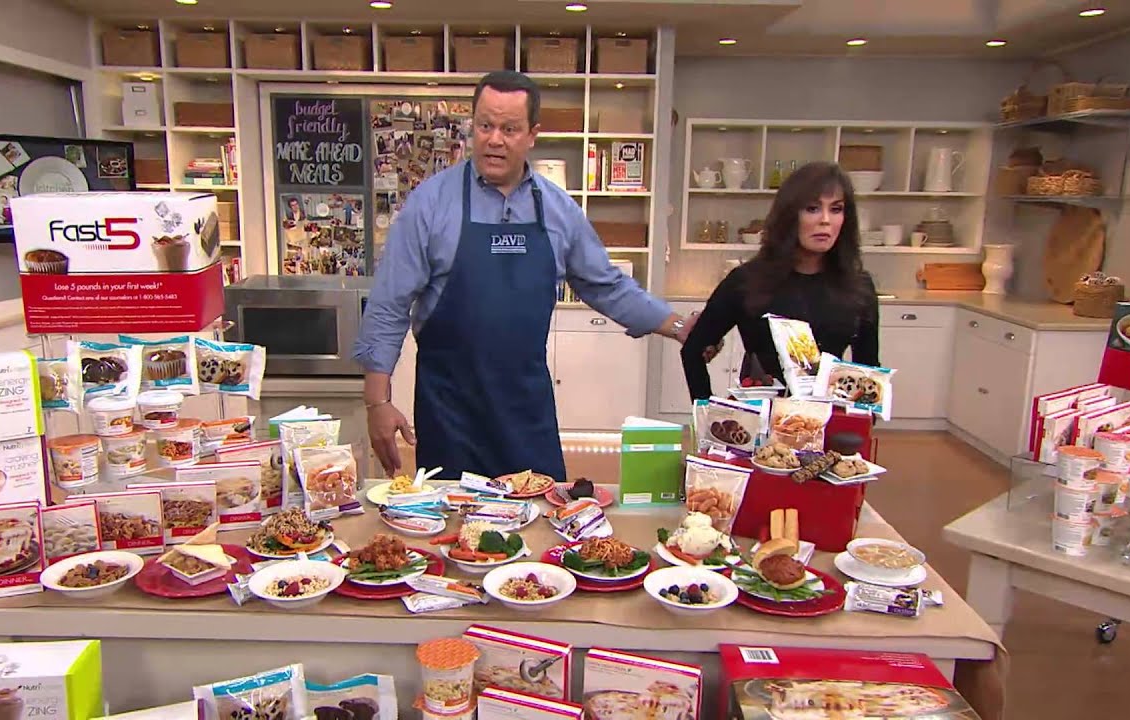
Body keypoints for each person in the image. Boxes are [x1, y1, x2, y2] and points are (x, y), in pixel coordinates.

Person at [353, 70, 697, 479]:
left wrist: (679, 327)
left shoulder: (558, 210)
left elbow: (606, 285)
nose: (494, 139)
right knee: (451, 516)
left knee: (542, 512)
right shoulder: (430, 204)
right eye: (485, 126)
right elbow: (388, 304)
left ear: (533, 134)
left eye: (510, 129)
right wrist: (377, 401)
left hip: (526, 412)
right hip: (449, 412)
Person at [680, 162, 880, 401]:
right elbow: (693, 351)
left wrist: (862, 419)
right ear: (790, 215)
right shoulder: (747, 281)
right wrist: (709, 413)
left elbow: (869, 369)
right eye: (813, 208)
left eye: (836, 209)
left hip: (831, 417)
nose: (825, 220)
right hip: (760, 417)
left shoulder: (859, 287)